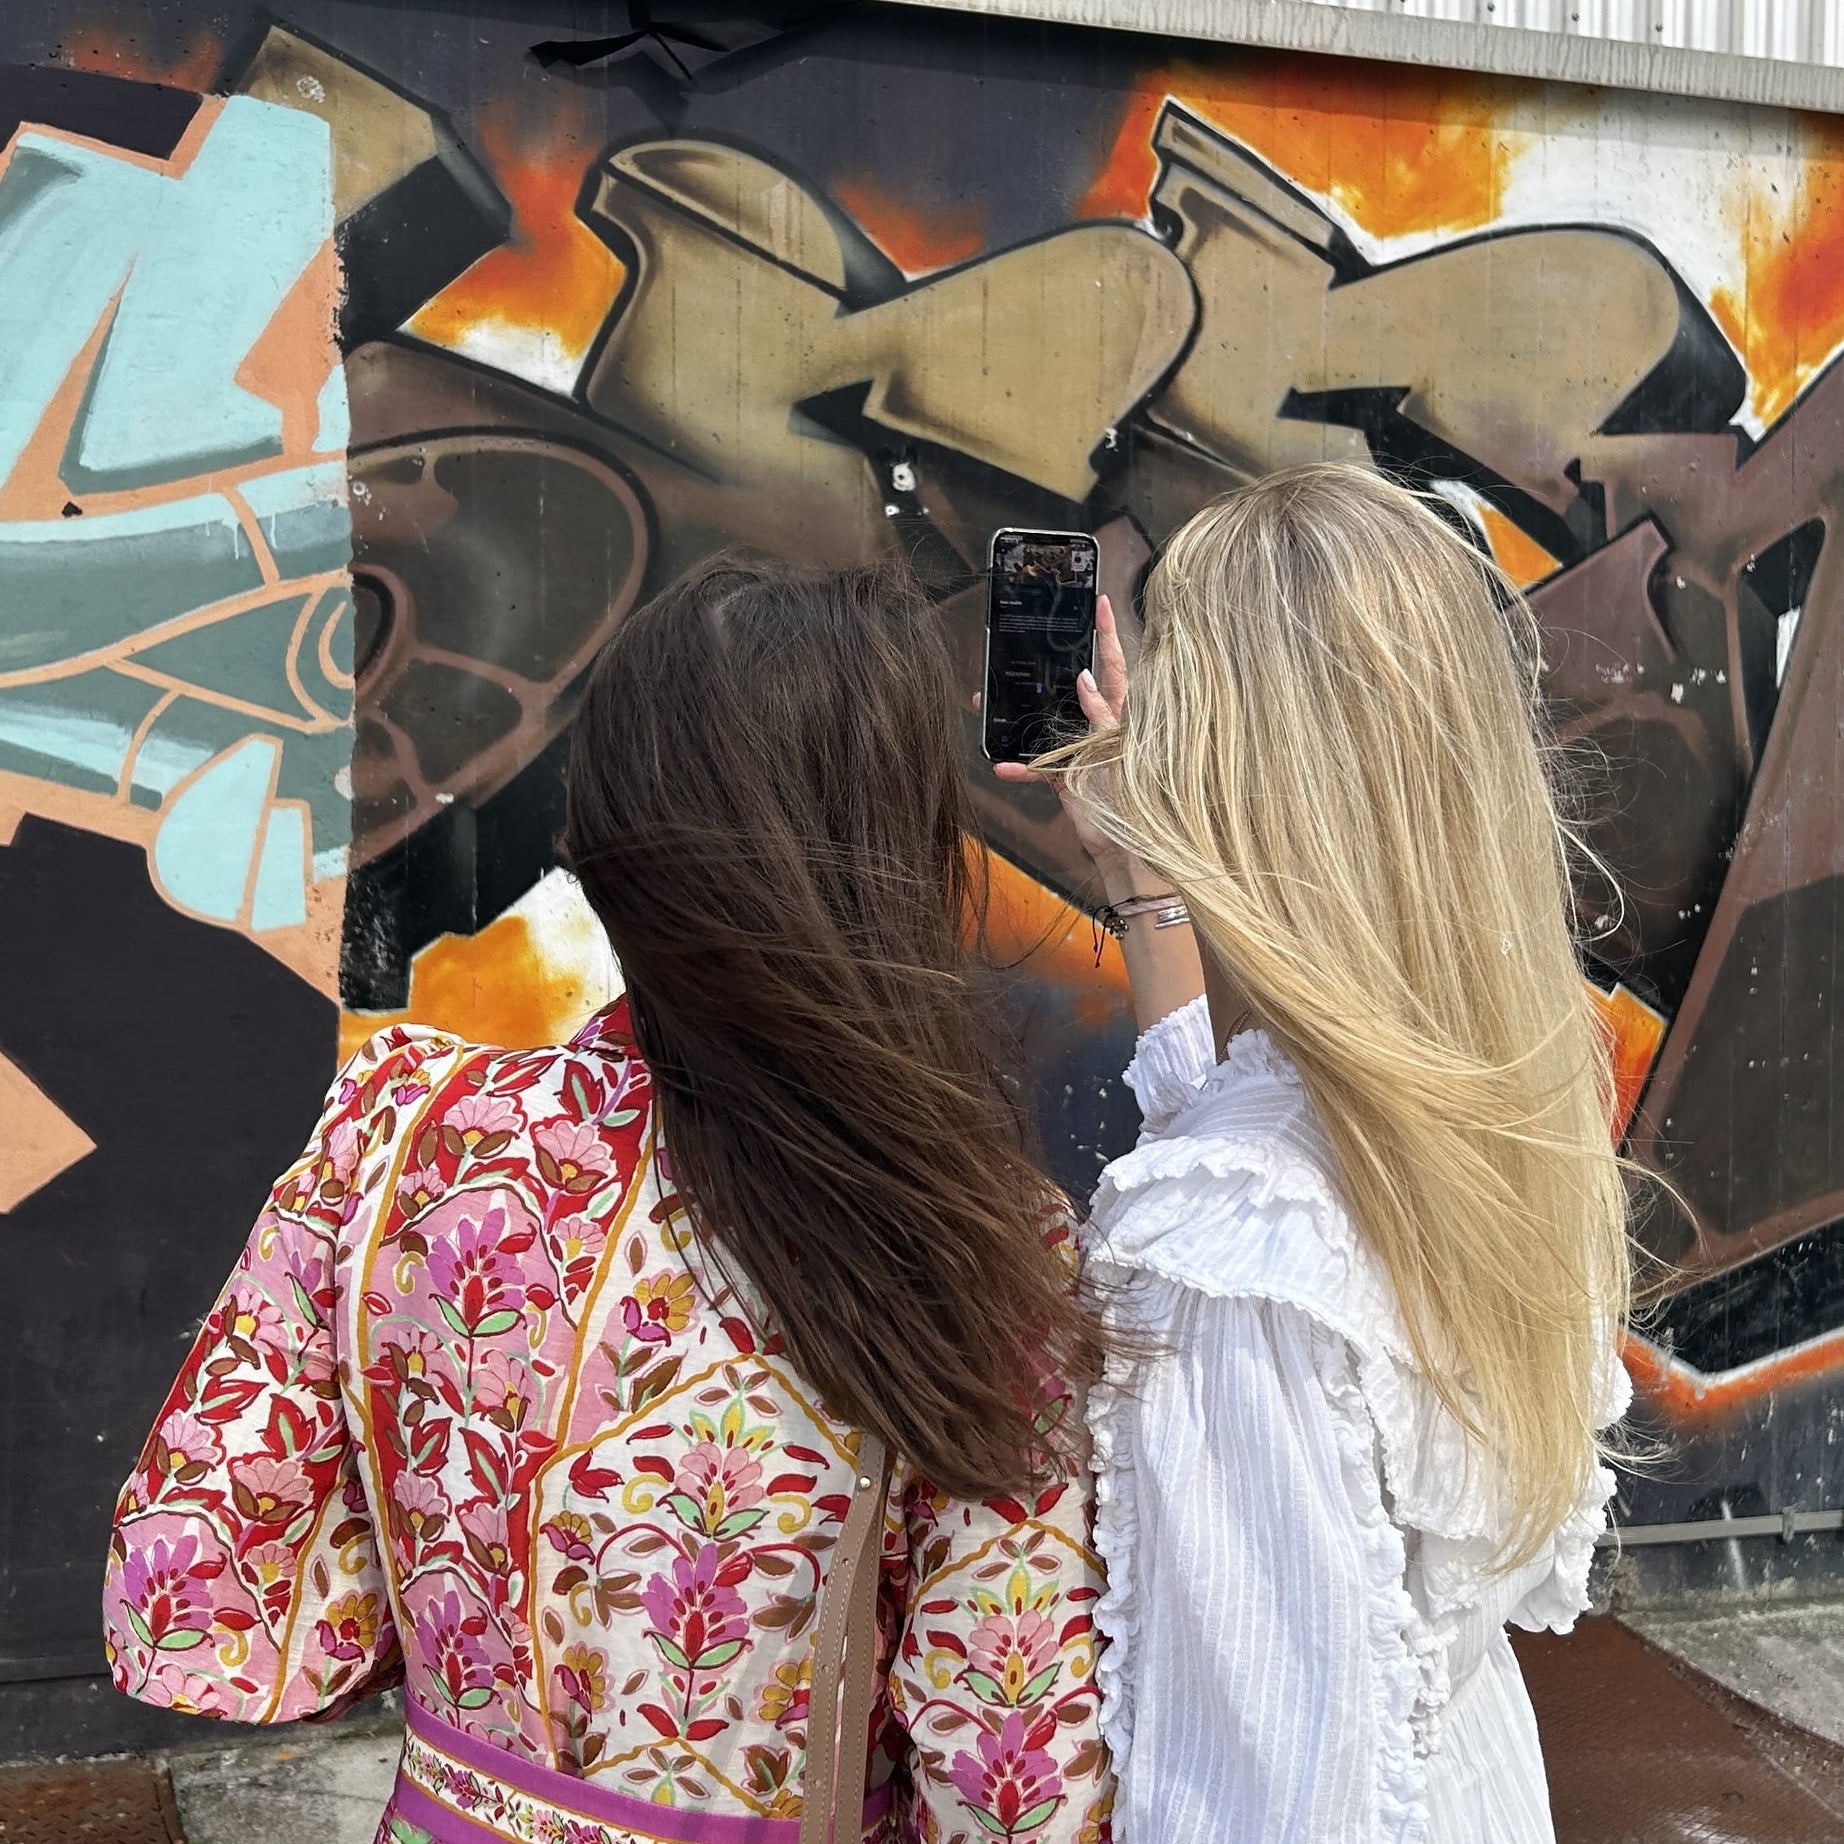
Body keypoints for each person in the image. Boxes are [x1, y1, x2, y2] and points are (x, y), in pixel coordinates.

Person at [104, 560, 1117, 1844]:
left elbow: (193, 1580)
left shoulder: (403, 1126)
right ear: (897, 847)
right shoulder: (967, 1231)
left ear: (600, 832)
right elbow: (1015, 1782)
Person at [1005, 464, 1632, 1843]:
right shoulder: (1501, 1095)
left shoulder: (1233, 1258)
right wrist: (1148, 899)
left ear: (1226, 774)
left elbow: (1261, 1794)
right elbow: (1253, 1153)